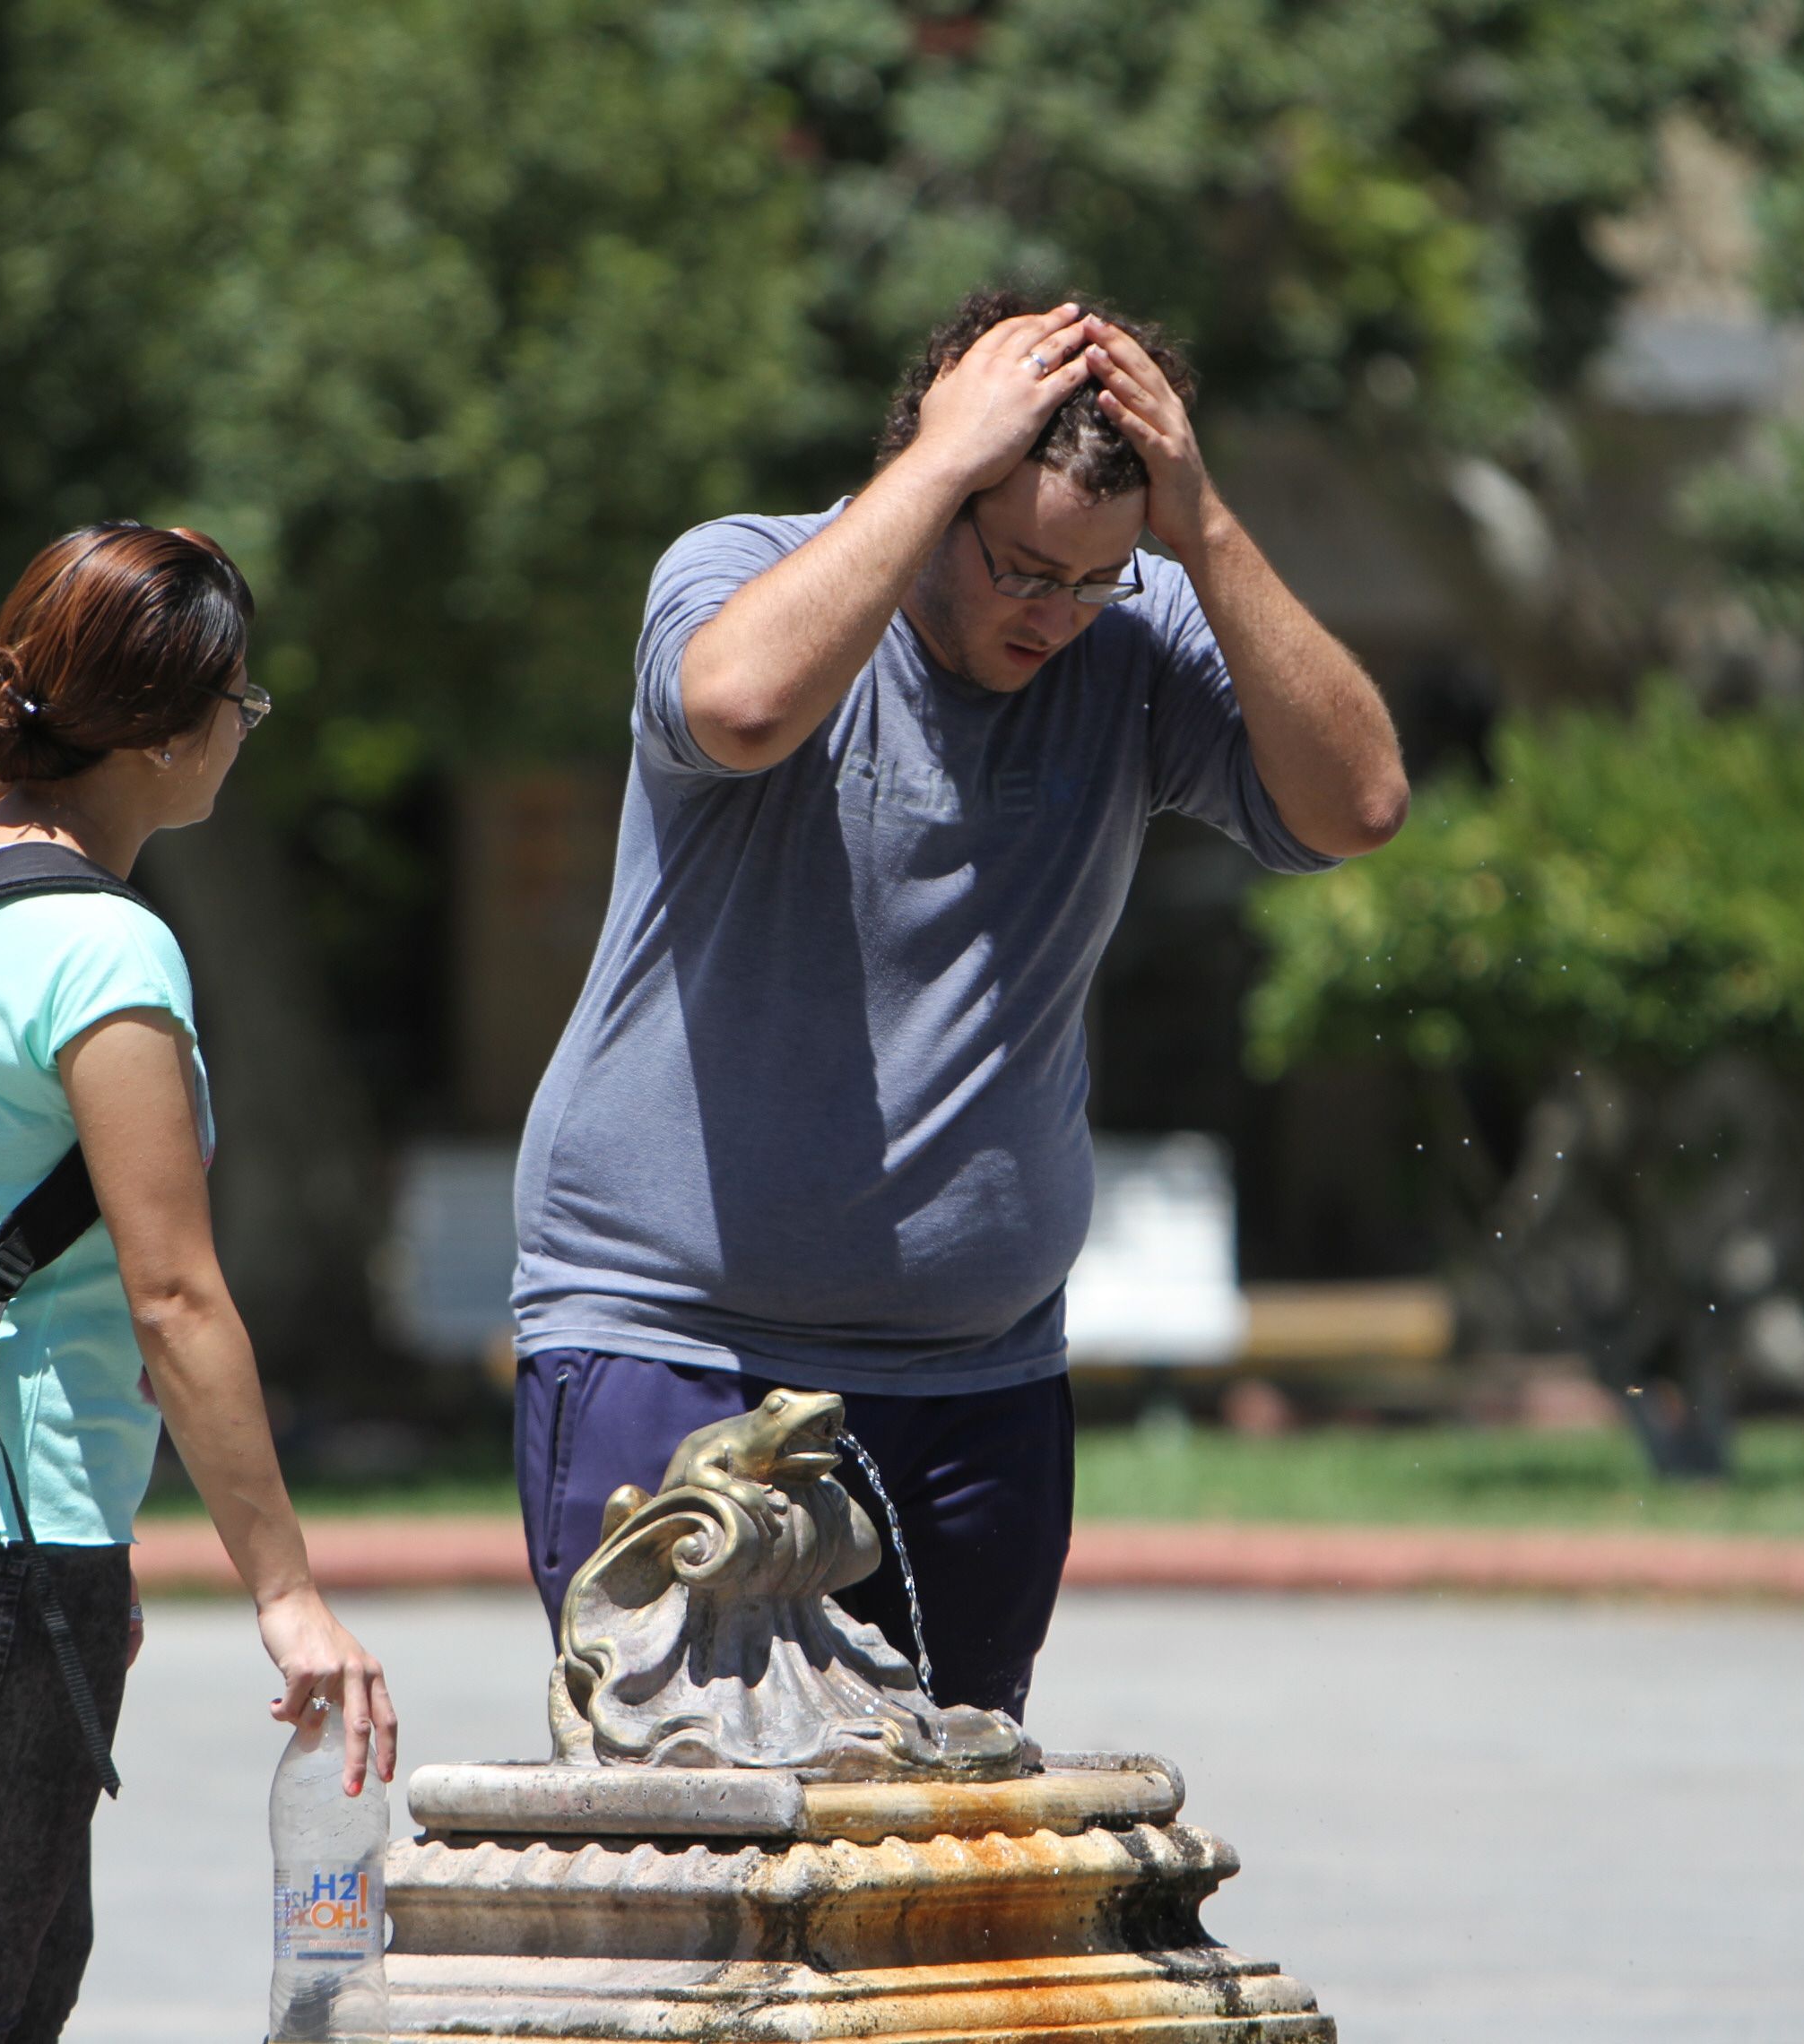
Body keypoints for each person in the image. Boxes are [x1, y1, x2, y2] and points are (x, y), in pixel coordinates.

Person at [511, 289, 1409, 1716]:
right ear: (933, 470)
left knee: (943, 1858)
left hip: (979, 1377)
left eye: (1095, 577)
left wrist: (1206, 532)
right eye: (1019, 567)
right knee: (678, 1828)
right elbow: (739, 707)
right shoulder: (744, 570)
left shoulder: (1138, 633)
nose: (1055, 616)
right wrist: (933, 467)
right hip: (675, 1341)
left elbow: (1358, 804)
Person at [0, 521, 397, 2043]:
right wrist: (290, 1592)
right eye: (237, 705)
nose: (242, 733)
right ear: (169, 733)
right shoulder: (102, 953)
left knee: (26, 1953)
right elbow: (173, 1297)